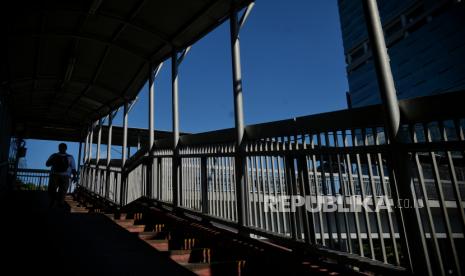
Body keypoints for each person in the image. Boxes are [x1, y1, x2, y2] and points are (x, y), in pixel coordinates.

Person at [46, 143, 77, 207]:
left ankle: (53, 201)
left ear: (58, 148)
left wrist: (53, 160)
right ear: (66, 148)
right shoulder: (70, 157)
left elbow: (47, 164)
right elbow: (73, 168)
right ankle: (60, 203)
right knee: (63, 190)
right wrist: (74, 176)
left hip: (54, 175)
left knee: (52, 189)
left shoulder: (54, 155)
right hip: (65, 176)